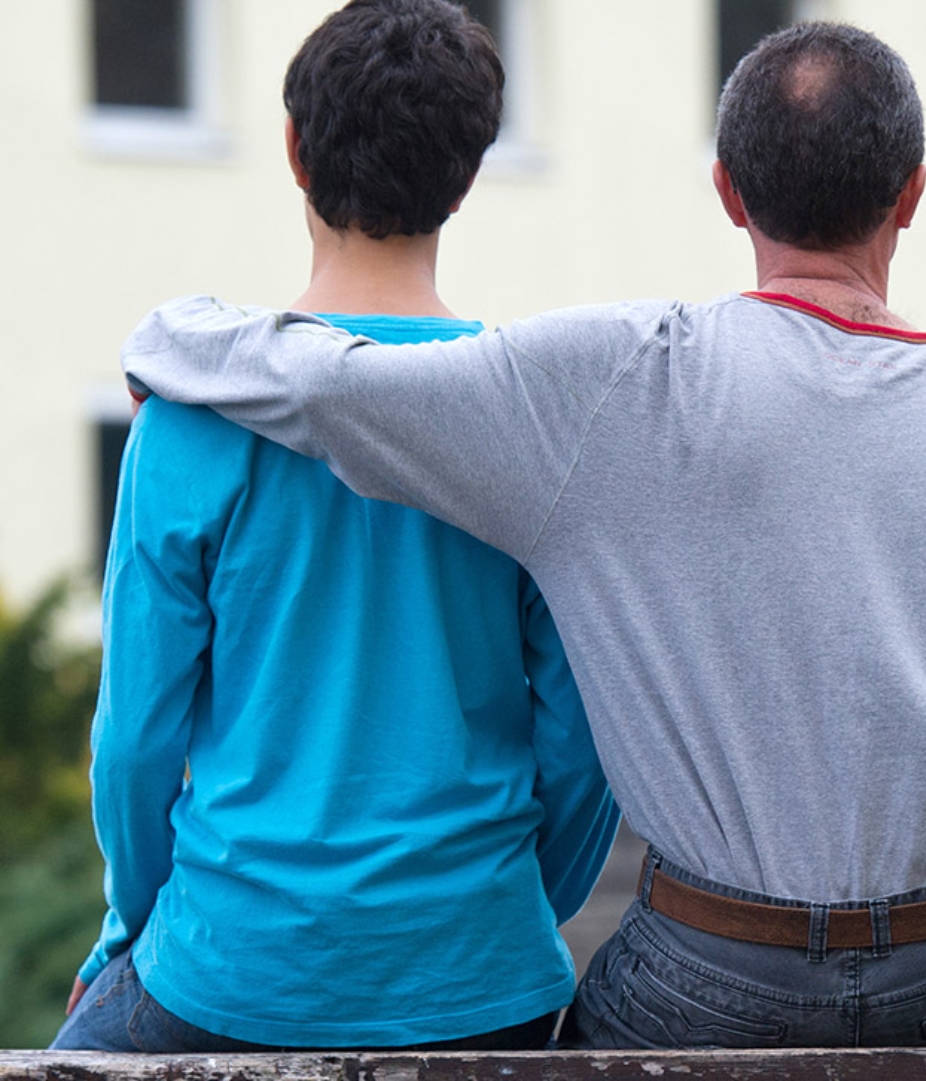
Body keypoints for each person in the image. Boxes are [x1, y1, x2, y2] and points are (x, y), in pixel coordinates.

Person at [119, 21, 926, 1049]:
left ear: (727, 191)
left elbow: (334, 385)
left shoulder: (620, 383)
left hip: (723, 969)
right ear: (914, 195)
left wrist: (171, 336)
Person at [54, 0, 618, 1053]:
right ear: (467, 177)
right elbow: (585, 745)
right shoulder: (533, 427)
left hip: (232, 967)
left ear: (293, 151)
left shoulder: (189, 420)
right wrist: (500, 919)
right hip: (483, 973)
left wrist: (132, 924)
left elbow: (135, 742)